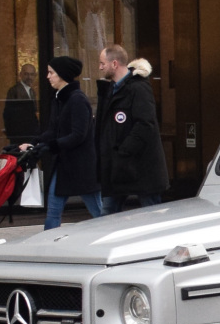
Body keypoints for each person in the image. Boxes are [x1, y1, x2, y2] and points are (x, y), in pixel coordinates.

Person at [95, 45, 169, 215]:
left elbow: (145, 124)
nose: (99, 67)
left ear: (114, 64)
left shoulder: (138, 87)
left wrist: (123, 150)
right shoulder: (109, 90)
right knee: (108, 216)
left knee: (152, 216)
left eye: (102, 63)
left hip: (140, 167)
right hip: (117, 168)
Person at [34, 57, 101, 229]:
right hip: (64, 164)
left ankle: (113, 239)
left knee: (99, 212)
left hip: (82, 167)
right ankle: (48, 247)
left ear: (62, 75)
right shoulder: (59, 99)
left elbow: (78, 135)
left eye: (51, 73)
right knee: (53, 210)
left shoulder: (77, 99)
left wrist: (51, 146)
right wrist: (35, 143)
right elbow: (52, 131)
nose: (48, 76)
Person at [2, 64, 40, 147]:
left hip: (30, 132)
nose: (29, 77)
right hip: (19, 133)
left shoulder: (32, 91)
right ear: (21, 75)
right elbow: (8, 113)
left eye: (32, 74)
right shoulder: (14, 90)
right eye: (26, 74)